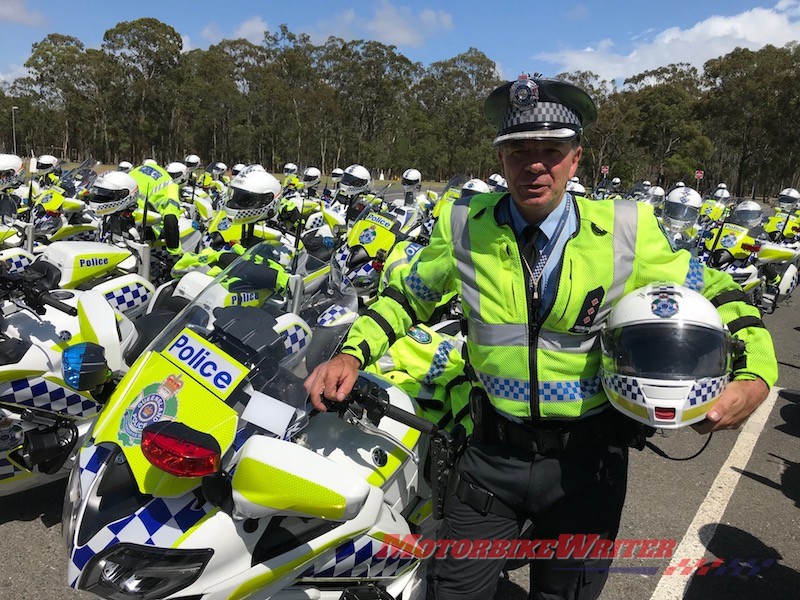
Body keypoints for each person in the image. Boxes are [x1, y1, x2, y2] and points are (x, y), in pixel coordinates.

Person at [304, 73, 777, 600]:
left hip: (586, 469)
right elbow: (406, 297)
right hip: (488, 460)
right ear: (500, 158)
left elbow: (718, 292)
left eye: (551, 150)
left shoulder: (626, 229)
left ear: (575, 158)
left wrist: (756, 373)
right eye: (519, 150)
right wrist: (351, 352)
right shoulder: (462, 224)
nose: (535, 164)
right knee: (451, 592)